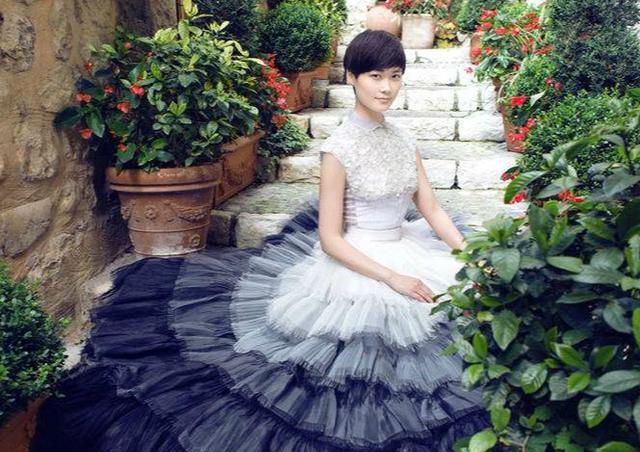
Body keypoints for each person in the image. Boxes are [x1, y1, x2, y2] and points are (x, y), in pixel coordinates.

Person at [33, 30, 489, 451]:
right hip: (360, 260)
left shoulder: (405, 139)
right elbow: (330, 239)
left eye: (394, 76)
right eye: (375, 76)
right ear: (352, 78)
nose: (386, 87)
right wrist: (392, 278)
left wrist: (470, 256)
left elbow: (431, 209)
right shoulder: (340, 148)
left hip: (409, 245)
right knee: (351, 367)